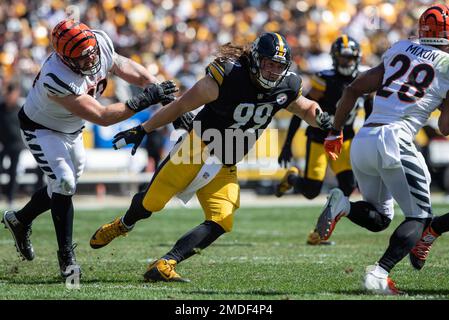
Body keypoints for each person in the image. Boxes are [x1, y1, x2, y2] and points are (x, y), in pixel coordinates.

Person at [89, 32, 333, 282]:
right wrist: (143, 128)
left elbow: (304, 107)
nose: (273, 71)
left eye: (279, 66)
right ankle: (123, 224)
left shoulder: (287, 85)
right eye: (269, 64)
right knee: (152, 203)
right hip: (196, 149)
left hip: (227, 161)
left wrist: (320, 117)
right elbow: (181, 106)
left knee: (222, 219)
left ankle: (165, 263)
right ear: (256, 60)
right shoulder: (227, 76)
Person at [0, 19, 177, 280]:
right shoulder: (56, 75)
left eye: (91, 52)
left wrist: (157, 89)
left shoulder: (99, 40)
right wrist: (145, 99)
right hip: (42, 129)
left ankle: (20, 219)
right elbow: (102, 116)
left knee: (61, 186)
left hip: (72, 129)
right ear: (65, 59)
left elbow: (122, 65)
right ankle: (67, 261)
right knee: (64, 181)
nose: (90, 59)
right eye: (81, 58)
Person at [315, 3, 449, 294]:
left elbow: (353, 88)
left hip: (364, 139)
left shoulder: (401, 48)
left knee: (379, 218)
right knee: (419, 217)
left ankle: (345, 205)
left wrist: (335, 132)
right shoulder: (447, 66)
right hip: (395, 140)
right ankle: (379, 274)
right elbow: (445, 128)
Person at [276, 35, 372, 245]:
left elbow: (371, 112)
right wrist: (287, 144)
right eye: (342, 58)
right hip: (320, 137)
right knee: (311, 191)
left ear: (356, 58)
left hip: (344, 138)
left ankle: (318, 232)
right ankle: (292, 178)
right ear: (334, 58)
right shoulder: (324, 79)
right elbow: (301, 110)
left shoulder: (366, 78)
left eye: (349, 58)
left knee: (347, 185)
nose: (346, 62)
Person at [0, 82, 25, 206]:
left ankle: (10, 198)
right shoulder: (1, 108)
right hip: (2, 144)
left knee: (13, 171)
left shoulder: (20, 110)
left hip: (16, 145)